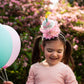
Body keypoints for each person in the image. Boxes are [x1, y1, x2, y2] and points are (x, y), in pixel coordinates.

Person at [26, 18, 78, 84]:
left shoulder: (65, 70)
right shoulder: (34, 68)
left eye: (59, 51)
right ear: (43, 48)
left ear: (64, 50)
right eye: (50, 50)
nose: (54, 54)